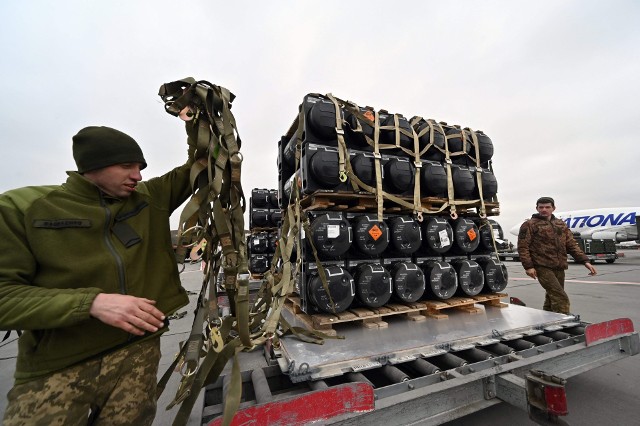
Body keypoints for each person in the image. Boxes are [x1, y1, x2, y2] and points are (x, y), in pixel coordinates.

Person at [0, 125, 194, 425]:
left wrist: (196, 116)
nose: (138, 176)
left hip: (138, 354)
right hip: (58, 366)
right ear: (93, 165)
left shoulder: (150, 198)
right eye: (127, 166)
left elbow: (203, 164)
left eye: (140, 167)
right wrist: (92, 303)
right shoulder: (22, 208)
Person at [517, 196, 597, 314]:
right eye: (541, 207)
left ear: (553, 208)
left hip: (559, 266)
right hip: (542, 266)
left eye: (547, 207)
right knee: (560, 297)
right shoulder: (529, 224)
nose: (544, 209)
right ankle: (565, 322)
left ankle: (547, 316)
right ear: (537, 208)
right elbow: (523, 247)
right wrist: (528, 267)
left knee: (552, 296)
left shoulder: (560, 224)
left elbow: (571, 244)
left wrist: (585, 261)